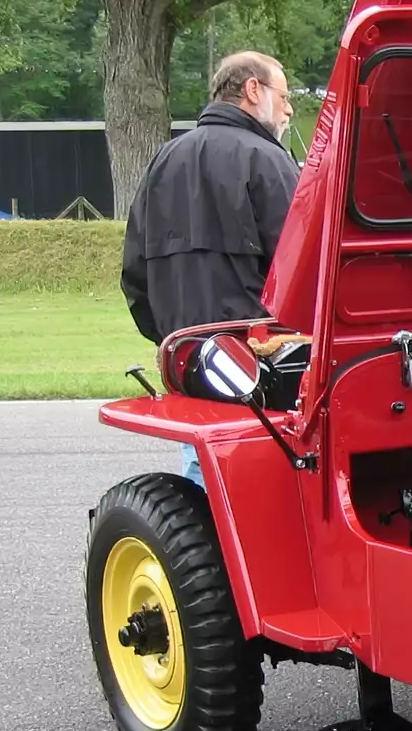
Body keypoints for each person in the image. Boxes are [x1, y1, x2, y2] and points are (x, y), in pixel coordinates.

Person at [120, 50, 299, 483]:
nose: (289, 109)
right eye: (284, 96)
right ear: (253, 90)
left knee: (201, 474)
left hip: (187, 358)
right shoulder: (269, 160)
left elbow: (135, 273)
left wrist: (170, 338)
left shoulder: (163, 161)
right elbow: (300, 266)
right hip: (259, 362)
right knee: (257, 481)